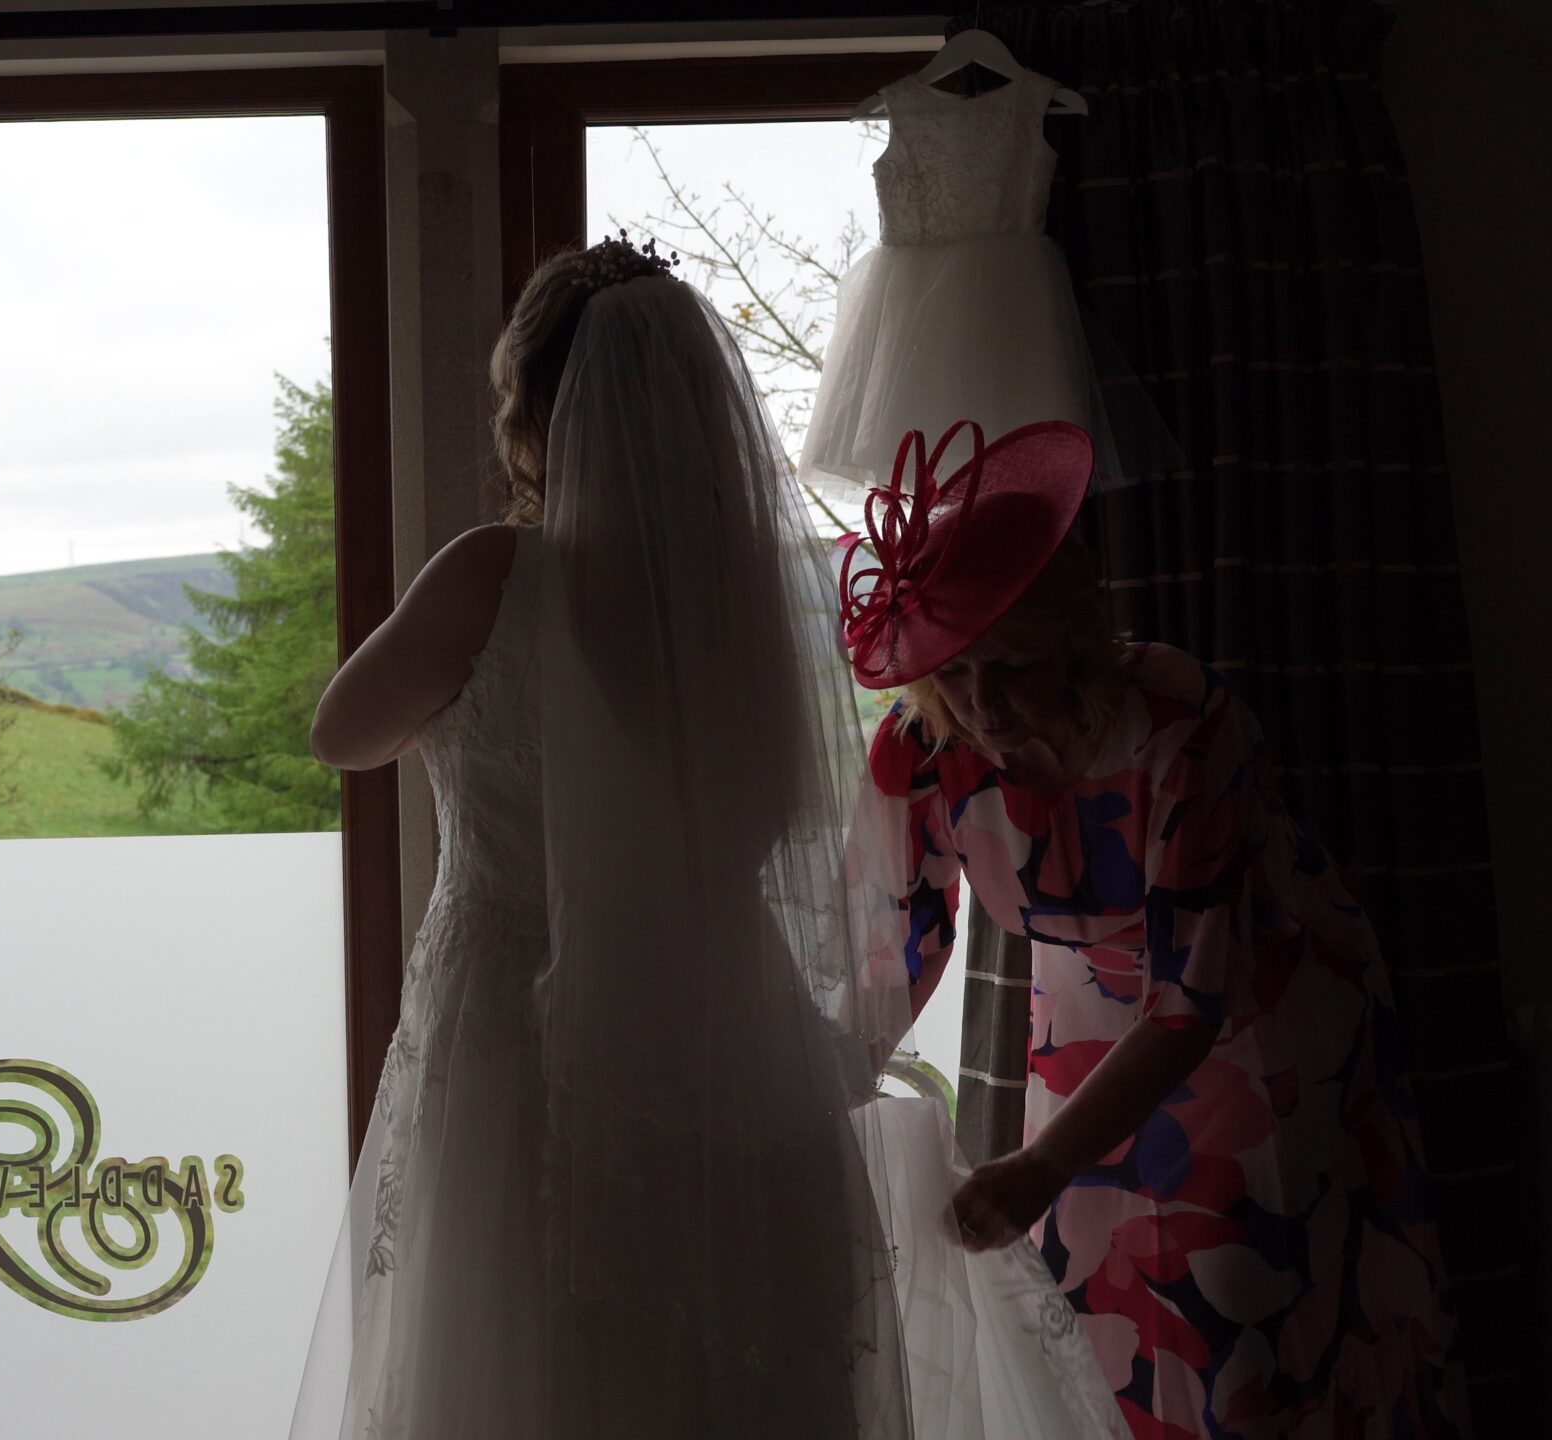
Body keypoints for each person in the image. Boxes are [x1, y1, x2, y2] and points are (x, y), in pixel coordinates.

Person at [285, 239, 1120, 1440]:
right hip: (728, 1038)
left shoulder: (493, 575)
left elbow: (341, 735)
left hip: (522, 1039)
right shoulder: (750, 612)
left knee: (540, 1365)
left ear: (536, 410)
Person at [843, 420, 1468, 1437]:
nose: (980, 701)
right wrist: (819, 1092)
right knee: (1089, 1311)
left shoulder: (1179, 720)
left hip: (1261, 1018)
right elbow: (899, 949)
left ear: (1071, 631)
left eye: (1010, 666)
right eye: (953, 671)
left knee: (1239, 1299)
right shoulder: (918, 750)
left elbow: (1191, 1003)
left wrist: (1042, 1162)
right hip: (1085, 1025)